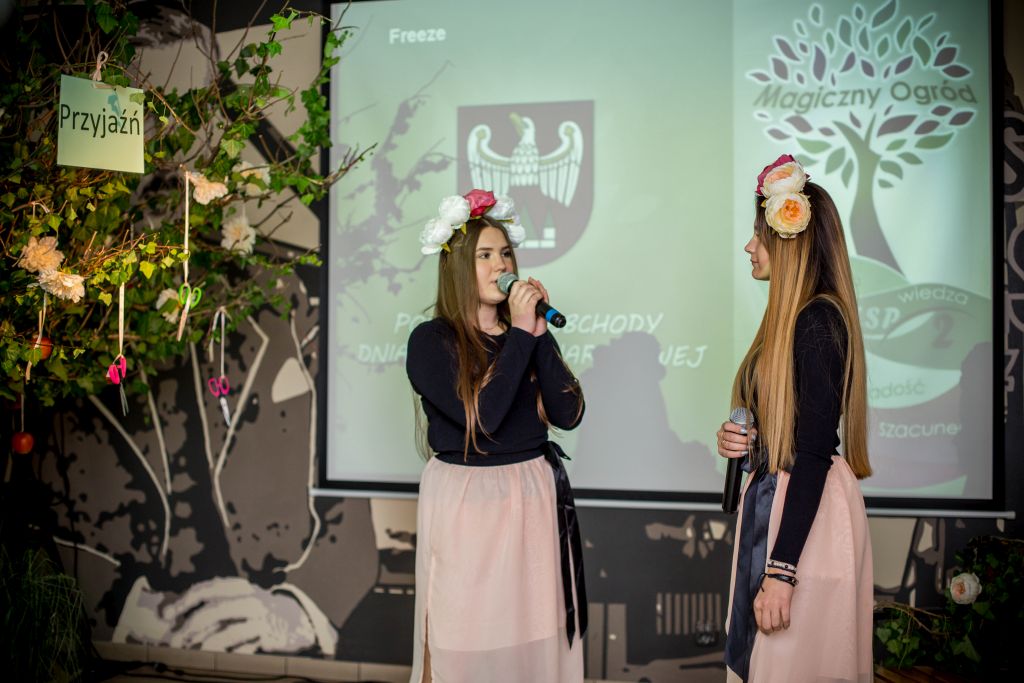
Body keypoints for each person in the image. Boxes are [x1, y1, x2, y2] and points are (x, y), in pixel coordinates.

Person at [406, 189, 587, 683]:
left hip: (532, 492)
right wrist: (522, 337)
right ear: (457, 266)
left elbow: (569, 413)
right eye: (484, 255)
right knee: (468, 637)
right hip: (470, 501)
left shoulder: (523, 335)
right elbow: (482, 418)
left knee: (532, 636)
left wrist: (538, 335)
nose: (500, 265)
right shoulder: (431, 341)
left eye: (505, 253)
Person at [718, 156, 874, 682]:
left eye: (758, 236)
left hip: (804, 519)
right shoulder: (793, 320)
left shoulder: (817, 321)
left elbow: (811, 453)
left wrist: (782, 572)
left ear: (788, 240)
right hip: (780, 501)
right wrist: (746, 441)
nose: (749, 246)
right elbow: (788, 428)